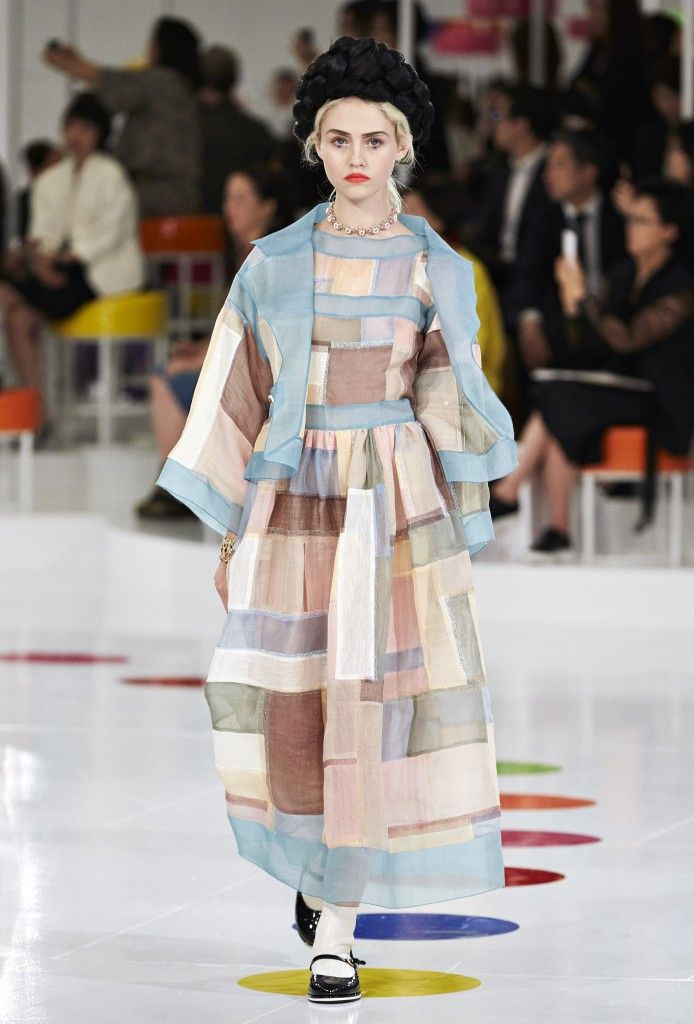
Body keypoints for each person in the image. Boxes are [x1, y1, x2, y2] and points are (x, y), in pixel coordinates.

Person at [155, 36, 517, 1004]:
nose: (356, 158)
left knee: (372, 706)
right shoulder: (273, 264)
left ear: (403, 146)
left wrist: (461, 514)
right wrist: (233, 530)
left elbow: (447, 394)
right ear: (314, 145)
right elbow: (238, 394)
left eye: (374, 139)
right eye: (338, 139)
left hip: (393, 505)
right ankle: (320, 874)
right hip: (296, 504)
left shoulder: (434, 267)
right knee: (295, 705)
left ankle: (339, 926)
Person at [490, 178, 694, 556]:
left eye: (642, 220)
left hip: (661, 401)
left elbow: (628, 338)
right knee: (560, 402)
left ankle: (508, 492)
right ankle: (556, 526)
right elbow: (592, 344)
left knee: (560, 399)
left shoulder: (681, 287)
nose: (630, 227)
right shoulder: (623, 275)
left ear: (669, 231)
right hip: (618, 389)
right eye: (630, 219)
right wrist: (574, 308)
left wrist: (584, 300)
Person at [135, 165, 289, 520]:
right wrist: (202, 348)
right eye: (227, 198)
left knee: (166, 379)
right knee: (171, 370)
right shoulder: (246, 253)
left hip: (259, 377)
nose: (230, 207)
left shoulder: (268, 259)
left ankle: (178, 486)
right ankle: (181, 481)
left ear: (267, 207)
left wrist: (203, 358)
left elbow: (259, 334)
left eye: (241, 198)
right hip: (243, 366)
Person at [0, 93, 144, 431]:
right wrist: (42, 260)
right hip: (61, 268)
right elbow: (42, 232)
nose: (76, 135)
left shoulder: (112, 175)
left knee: (13, 308)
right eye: (71, 127)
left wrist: (68, 256)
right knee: (17, 317)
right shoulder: (52, 178)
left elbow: (111, 232)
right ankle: (38, 412)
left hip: (99, 274)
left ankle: (38, 414)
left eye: (85, 128)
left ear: (99, 134)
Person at [43, 17, 202, 216]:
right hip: (181, 194)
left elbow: (113, 84)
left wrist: (70, 63)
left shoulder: (160, 81)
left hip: (155, 192)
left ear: (161, 47)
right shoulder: (185, 89)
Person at [515, 129, 626, 373]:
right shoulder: (543, 218)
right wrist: (530, 322)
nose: (548, 175)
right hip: (561, 328)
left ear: (588, 173)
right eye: (548, 166)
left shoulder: (620, 217)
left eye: (560, 165)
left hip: (614, 320)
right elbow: (528, 274)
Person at [404, 182, 507, 396]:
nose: (400, 219)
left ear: (437, 221)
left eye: (411, 211)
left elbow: (471, 350)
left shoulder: (466, 269)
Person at [198, 46, 277, 215]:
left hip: (192, 224)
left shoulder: (179, 131)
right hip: (242, 224)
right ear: (234, 79)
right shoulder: (256, 132)